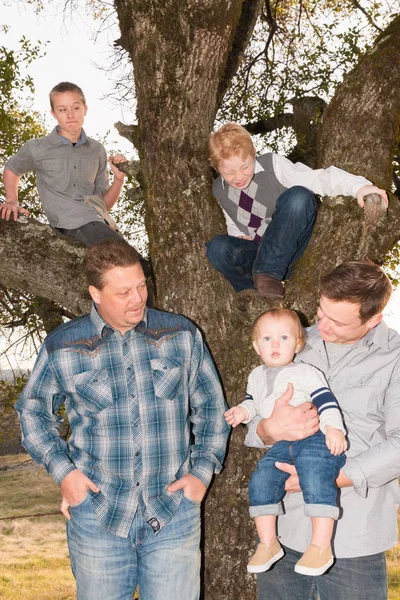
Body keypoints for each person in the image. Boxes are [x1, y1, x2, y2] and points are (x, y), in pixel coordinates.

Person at [15, 239, 229, 600]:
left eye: (142, 285)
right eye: (124, 291)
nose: (138, 298)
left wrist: (201, 473)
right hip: (97, 514)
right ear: (95, 294)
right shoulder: (62, 345)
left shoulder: (181, 335)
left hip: (173, 512)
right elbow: (33, 413)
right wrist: (64, 474)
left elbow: (211, 409)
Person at [245, 260, 399, 600]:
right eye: (321, 311)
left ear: (373, 319)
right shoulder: (292, 340)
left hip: (354, 535)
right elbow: (256, 423)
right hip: (283, 528)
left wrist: (331, 477)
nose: (321, 325)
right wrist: (268, 430)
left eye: (337, 321)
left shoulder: (396, 358)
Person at [225, 308, 347, 576]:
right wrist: (242, 412)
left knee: (315, 475)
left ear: (298, 344)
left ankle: (320, 545)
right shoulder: (255, 376)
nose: (275, 344)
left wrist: (334, 429)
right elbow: (253, 404)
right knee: (262, 479)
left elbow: (326, 403)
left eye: (284, 338)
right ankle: (268, 543)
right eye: (267, 339)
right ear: (257, 346)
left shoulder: (306, 372)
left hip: (314, 439)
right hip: (282, 443)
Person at [206, 123, 388, 299]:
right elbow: (232, 220)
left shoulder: (272, 164)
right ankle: (250, 293)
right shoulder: (218, 189)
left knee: (299, 197)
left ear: (253, 154)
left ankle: (268, 273)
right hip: (257, 253)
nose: (238, 176)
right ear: (216, 168)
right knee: (217, 247)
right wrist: (238, 236)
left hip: (291, 247)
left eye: (244, 167)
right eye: (229, 172)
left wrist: (359, 187)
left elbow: (319, 178)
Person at [0, 81, 128, 248]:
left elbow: (105, 204)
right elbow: (12, 168)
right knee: (130, 263)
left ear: (85, 109)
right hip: (69, 225)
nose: (70, 115)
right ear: (54, 113)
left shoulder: (97, 150)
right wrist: (12, 200)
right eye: (62, 109)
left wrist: (118, 180)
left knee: (133, 264)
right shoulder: (37, 147)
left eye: (75, 108)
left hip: (103, 226)